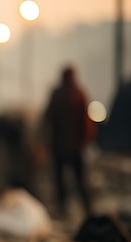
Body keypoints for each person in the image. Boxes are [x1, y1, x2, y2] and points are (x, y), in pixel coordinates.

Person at [42, 64, 95, 217]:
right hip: (67, 147)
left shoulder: (70, 94)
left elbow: (85, 121)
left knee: (70, 180)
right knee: (71, 181)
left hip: (65, 147)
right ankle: (80, 208)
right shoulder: (77, 94)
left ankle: (76, 208)